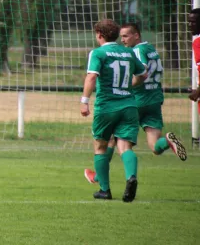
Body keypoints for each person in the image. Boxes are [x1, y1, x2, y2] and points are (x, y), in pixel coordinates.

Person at [84, 23, 187, 186]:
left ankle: (99, 177)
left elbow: (142, 73)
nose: (123, 40)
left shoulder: (137, 51)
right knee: (154, 146)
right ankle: (167, 141)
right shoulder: (151, 49)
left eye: (126, 36)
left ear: (137, 35)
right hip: (155, 99)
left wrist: (125, 85)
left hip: (137, 100)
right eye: (121, 36)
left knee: (112, 140)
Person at [80, 19, 146, 202]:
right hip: (129, 105)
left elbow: (92, 77)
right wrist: (129, 87)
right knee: (124, 146)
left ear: (99, 35)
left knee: (100, 147)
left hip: (106, 106)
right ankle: (131, 177)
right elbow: (143, 74)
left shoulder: (98, 53)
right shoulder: (128, 52)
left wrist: (84, 101)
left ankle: (104, 190)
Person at [188, 8, 200, 102]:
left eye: (193, 22)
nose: (190, 25)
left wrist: (198, 91)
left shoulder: (198, 43)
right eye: (189, 22)